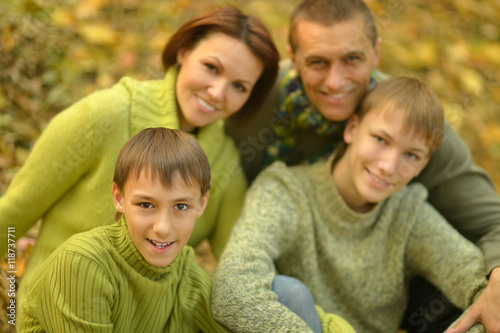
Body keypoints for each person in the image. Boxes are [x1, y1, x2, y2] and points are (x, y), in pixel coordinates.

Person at [224, 0, 500, 331]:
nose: (336, 81)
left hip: (392, 291)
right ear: (294, 58)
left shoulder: (414, 130)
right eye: (318, 62)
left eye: (352, 59)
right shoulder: (252, 101)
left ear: (376, 52)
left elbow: (489, 223)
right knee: (288, 291)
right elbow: (235, 283)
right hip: (283, 292)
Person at [0, 5, 279, 309]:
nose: (217, 92)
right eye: (212, 67)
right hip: (60, 311)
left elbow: (239, 268)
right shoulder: (105, 115)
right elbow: (12, 216)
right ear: (184, 51)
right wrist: (13, 308)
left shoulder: (225, 162)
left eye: (239, 86)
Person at [19, 127, 230, 332]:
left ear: (202, 204)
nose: (163, 228)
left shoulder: (186, 277)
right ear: (119, 198)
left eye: (181, 206)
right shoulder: (83, 264)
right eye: (146, 205)